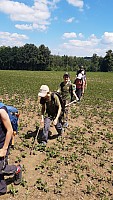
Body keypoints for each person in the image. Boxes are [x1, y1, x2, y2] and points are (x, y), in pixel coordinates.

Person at [0, 104, 22, 195]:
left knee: (1, 168)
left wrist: (4, 149)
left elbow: (9, 130)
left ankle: (17, 169)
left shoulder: (1, 111)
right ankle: (2, 188)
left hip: (3, 142)